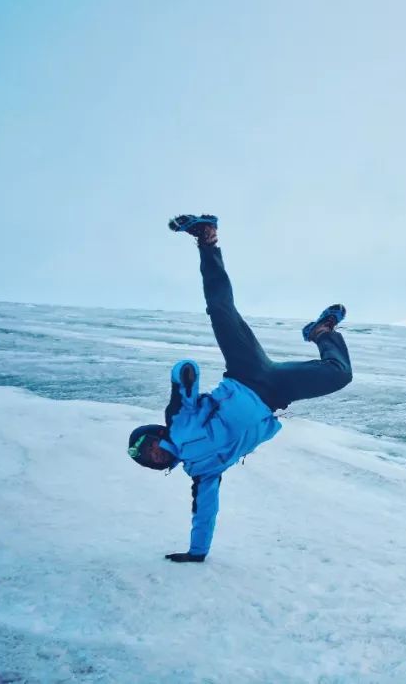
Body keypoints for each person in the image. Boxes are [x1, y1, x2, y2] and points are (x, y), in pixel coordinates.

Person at [127, 214, 353, 562]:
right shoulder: (203, 474)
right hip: (275, 394)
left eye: (150, 447)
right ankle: (322, 331)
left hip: (245, 373)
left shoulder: (177, 421)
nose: (154, 455)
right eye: (149, 460)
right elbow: (205, 513)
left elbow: (183, 377)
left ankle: (206, 238)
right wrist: (196, 553)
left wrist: (184, 378)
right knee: (340, 375)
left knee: (220, 310)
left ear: (156, 435)